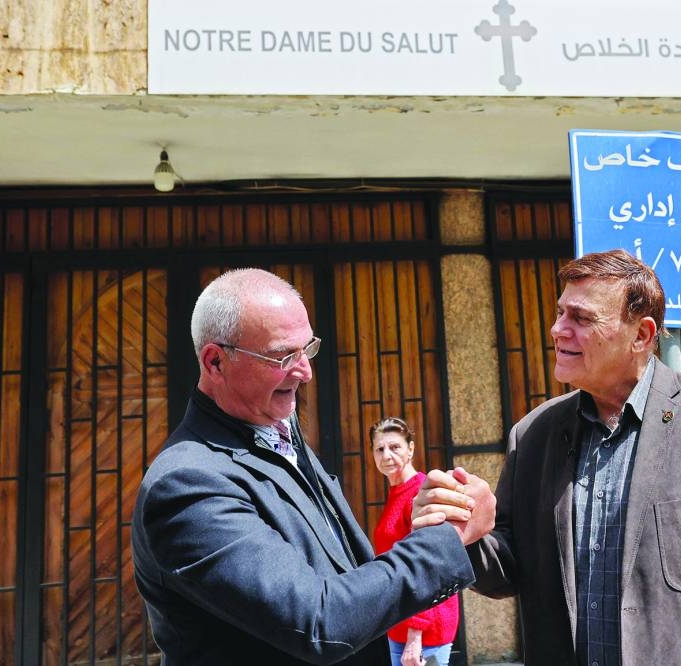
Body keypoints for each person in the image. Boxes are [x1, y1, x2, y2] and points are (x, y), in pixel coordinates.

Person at [413, 249, 681, 665]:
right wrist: (468, 533)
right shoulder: (533, 436)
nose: (558, 329)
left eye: (581, 318)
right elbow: (509, 570)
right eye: (560, 313)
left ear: (642, 336)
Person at [131, 268, 494, 666]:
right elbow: (319, 622)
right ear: (216, 361)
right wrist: (447, 538)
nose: (304, 371)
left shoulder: (272, 424)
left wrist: (430, 516)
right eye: (283, 356)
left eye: (308, 349)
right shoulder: (186, 485)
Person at [370, 417, 459, 666]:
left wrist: (415, 634)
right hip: (400, 623)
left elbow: (429, 566)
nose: (386, 455)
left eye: (395, 447)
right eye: (379, 449)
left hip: (425, 628)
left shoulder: (420, 492)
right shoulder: (396, 493)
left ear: (411, 449)